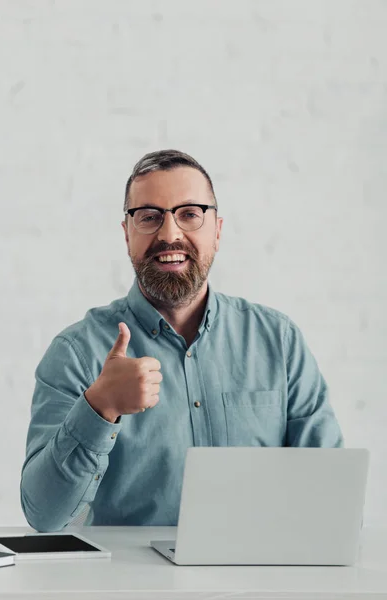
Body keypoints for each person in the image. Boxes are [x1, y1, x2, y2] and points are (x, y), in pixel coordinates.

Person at [20, 149, 343, 532]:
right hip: (132, 589)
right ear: (127, 234)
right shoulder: (76, 353)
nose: (170, 234)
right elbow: (44, 516)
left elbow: (333, 499)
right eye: (150, 217)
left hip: (259, 585)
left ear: (218, 231)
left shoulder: (279, 342)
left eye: (189, 214)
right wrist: (99, 407)